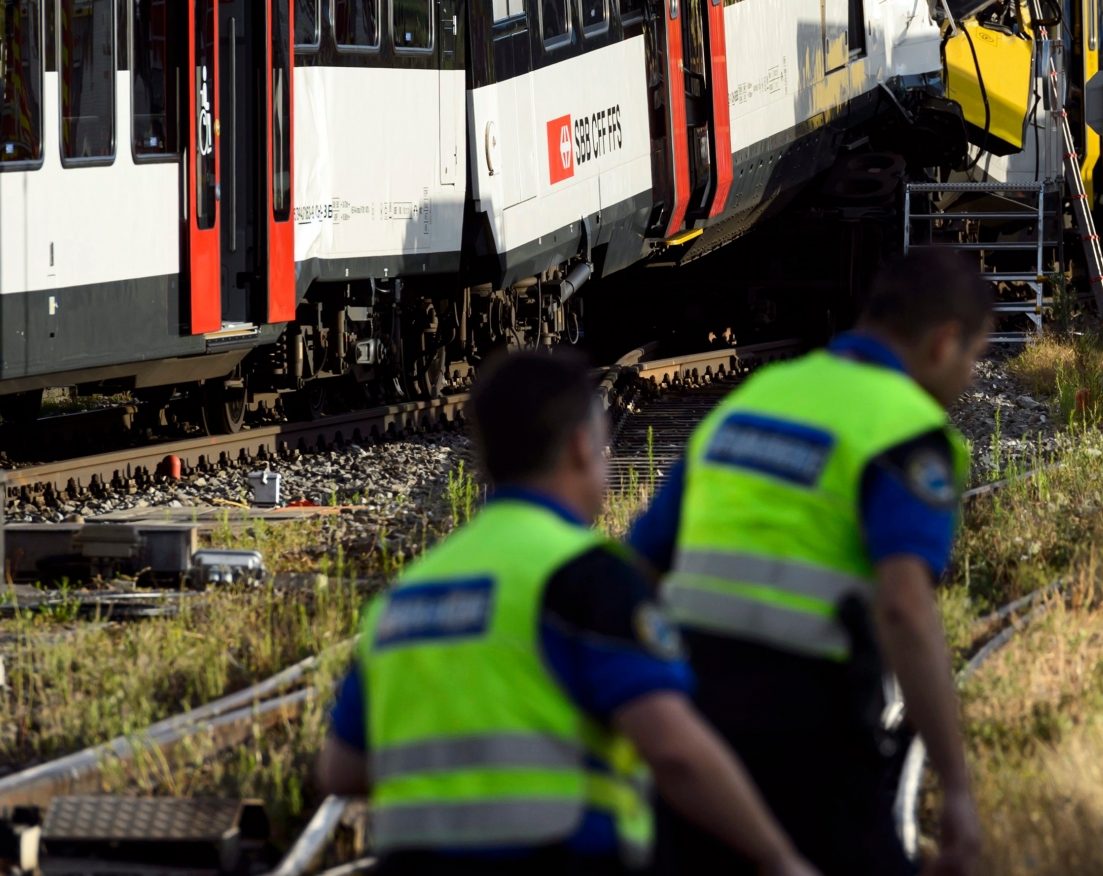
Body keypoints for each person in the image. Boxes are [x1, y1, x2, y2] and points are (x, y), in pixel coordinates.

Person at [316, 347, 820, 876]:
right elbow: (674, 750)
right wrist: (776, 856)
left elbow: (341, 769)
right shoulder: (587, 577)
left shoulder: (407, 595)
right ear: (582, 448)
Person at [629, 248, 993, 876]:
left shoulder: (753, 399)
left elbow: (635, 568)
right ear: (943, 343)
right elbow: (905, 607)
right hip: (805, 727)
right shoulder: (905, 429)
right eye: (974, 359)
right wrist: (956, 786)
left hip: (689, 718)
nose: (968, 379)